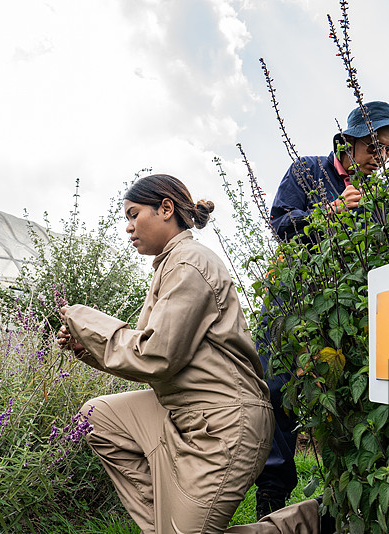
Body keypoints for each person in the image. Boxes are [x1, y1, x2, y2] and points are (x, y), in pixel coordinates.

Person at [57, 174, 274, 534]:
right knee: (98, 416)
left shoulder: (189, 263)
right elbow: (151, 357)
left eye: (133, 214)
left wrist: (81, 317)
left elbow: (155, 358)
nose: (128, 228)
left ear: (166, 209)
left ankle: (309, 521)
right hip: (183, 413)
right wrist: (88, 348)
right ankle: (166, 525)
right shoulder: (171, 266)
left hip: (224, 423)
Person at [255, 101, 389, 518]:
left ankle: (342, 504)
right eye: (375, 149)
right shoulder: (308, 171)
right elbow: (281, 224)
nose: (382, 159)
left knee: (344, 396)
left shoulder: (381, 195)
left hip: (346, 312)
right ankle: (270, 497)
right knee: (277, 393)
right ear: (349, 143)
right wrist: (328, 214)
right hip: (291, 304)